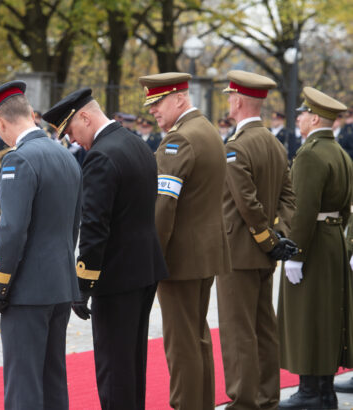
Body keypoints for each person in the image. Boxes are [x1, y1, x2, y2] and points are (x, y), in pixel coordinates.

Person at [43, 88, 167, 410]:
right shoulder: (135, 143)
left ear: (85, 116)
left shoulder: (101, 155)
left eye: (71, 131)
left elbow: (95, 227)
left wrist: (83, 285)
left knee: (114, 366)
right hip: (145, 268)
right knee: (133, 361)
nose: (73, 141)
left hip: (118, 276)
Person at [0, 81, 82, 410]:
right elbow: (74, 223)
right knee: (53, 380)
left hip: (27, 291)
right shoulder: (65, 155)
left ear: (1, 123)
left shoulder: (18, 160)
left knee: (23, 384)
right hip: (60, 286)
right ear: (31, 115)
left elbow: (12, 231)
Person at [138, 72, 231, 409]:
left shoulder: (178, 142)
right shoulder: (205, 130)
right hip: (203, 253)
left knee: (181, 344)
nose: (154, 112)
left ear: (180, 98)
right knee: (198, 338)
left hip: (179, 259)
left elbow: (163, 208)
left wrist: (152, 258)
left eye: (158, 103)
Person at [218, 70, 297, 410]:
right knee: (264, 327)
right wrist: (280, 237)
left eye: (229, 98)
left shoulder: (236, 147)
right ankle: (267, 397)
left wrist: (267, 239)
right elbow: (289, 198)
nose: (228, 103)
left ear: (237, 101)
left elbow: (245, 202)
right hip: (267, 253)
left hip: (238, 251)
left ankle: (243, 401)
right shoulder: (275, 145)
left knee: (238, 331)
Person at [278, 87, 353, 409]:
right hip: (334, 240)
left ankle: (311, 392)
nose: (298, 118)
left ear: (313, 118)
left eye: (302, 114)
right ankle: (324, 390)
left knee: (307, 316)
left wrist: (296, 254)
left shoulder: (310, 153)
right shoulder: (340, 152)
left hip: (312, 244)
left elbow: (302, 210)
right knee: (327, 316)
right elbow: (347, 206)